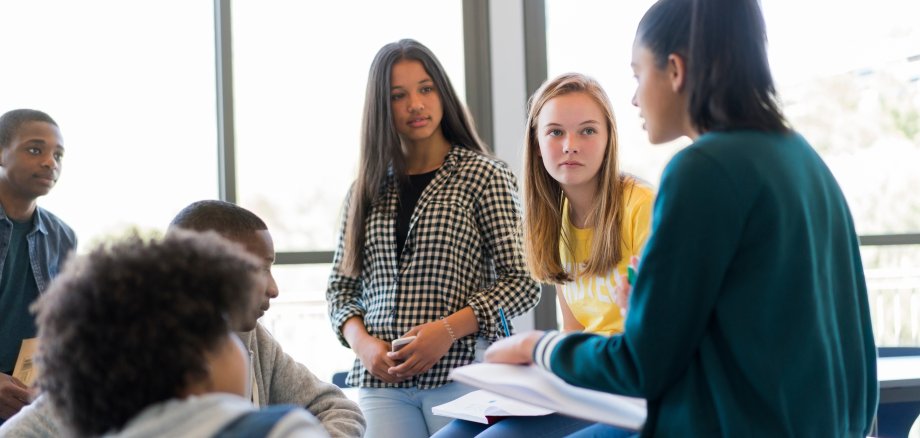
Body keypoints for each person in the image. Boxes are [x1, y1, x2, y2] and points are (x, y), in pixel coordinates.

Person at [485, 0, 878, 436]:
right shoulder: (800, 157)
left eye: (638, 74)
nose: (634, 97)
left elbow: (642, 366)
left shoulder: (703, 169)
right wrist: (645, 313)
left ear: (675, 70)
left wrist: (541, 347)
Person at [1, 200, 365, 437]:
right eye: (259, 270)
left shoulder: (255, 339)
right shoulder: (281, 429)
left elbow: (338, 409)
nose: (273, 289)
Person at [326, 38, 540, 438]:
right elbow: (340, 288)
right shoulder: (365, 190)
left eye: (426, 88)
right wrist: (365, 346)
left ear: (442, 92)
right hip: (381, 384)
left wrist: (447, 331)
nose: (416, 105)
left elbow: (523, 282)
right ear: (382, 107)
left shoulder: (484, 176)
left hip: (462, 372)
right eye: (398, 95)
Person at [434, 73, 654, 437]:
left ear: (608, 140)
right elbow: (573, 331)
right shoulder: (553, 220)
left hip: (625, 391)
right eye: (555, 132)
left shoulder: (641, 206)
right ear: (536, 143)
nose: (570, 145)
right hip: (579, 383)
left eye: (587, 131)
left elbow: (656, 337)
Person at [0, 109, 76, 425]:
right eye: (35, 150)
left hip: (27, 405)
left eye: (58, 154)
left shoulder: (63, 236)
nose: (50, 162)